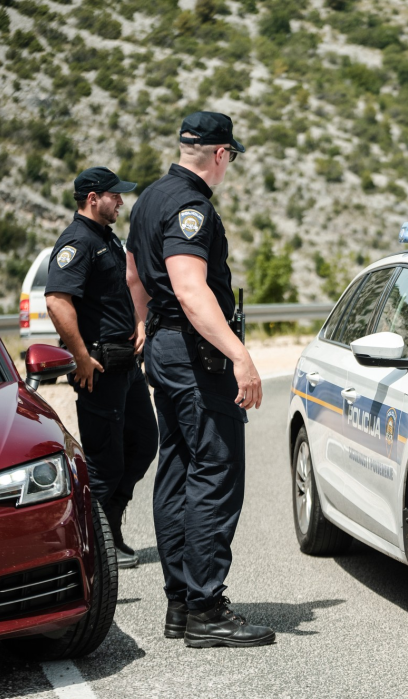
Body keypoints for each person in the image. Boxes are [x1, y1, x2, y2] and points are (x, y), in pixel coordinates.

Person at [125, 111, 274, 648]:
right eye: (230, 157)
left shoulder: (149, 199)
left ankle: (181, 604)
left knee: (178, 471)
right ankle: (207, 609)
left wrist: (144, 324)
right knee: (214, 472)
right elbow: (190, 289)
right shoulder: (192, 207)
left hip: (165, 348)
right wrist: (240, 355)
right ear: (221, 154)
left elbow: (134, 275)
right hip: (195, 354)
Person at [44, 167, 158, 570]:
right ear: (93, 199)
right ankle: (92, 548)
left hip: (126, 365)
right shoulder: (77, 241)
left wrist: (139, 323)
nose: (121, 201)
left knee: (144, 442)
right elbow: (57, 300)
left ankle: (108, 526)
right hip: (98, 368)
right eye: (115, 195)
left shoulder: (106, 238)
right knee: (104, 462)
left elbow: (122, 290)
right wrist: (79, 356)